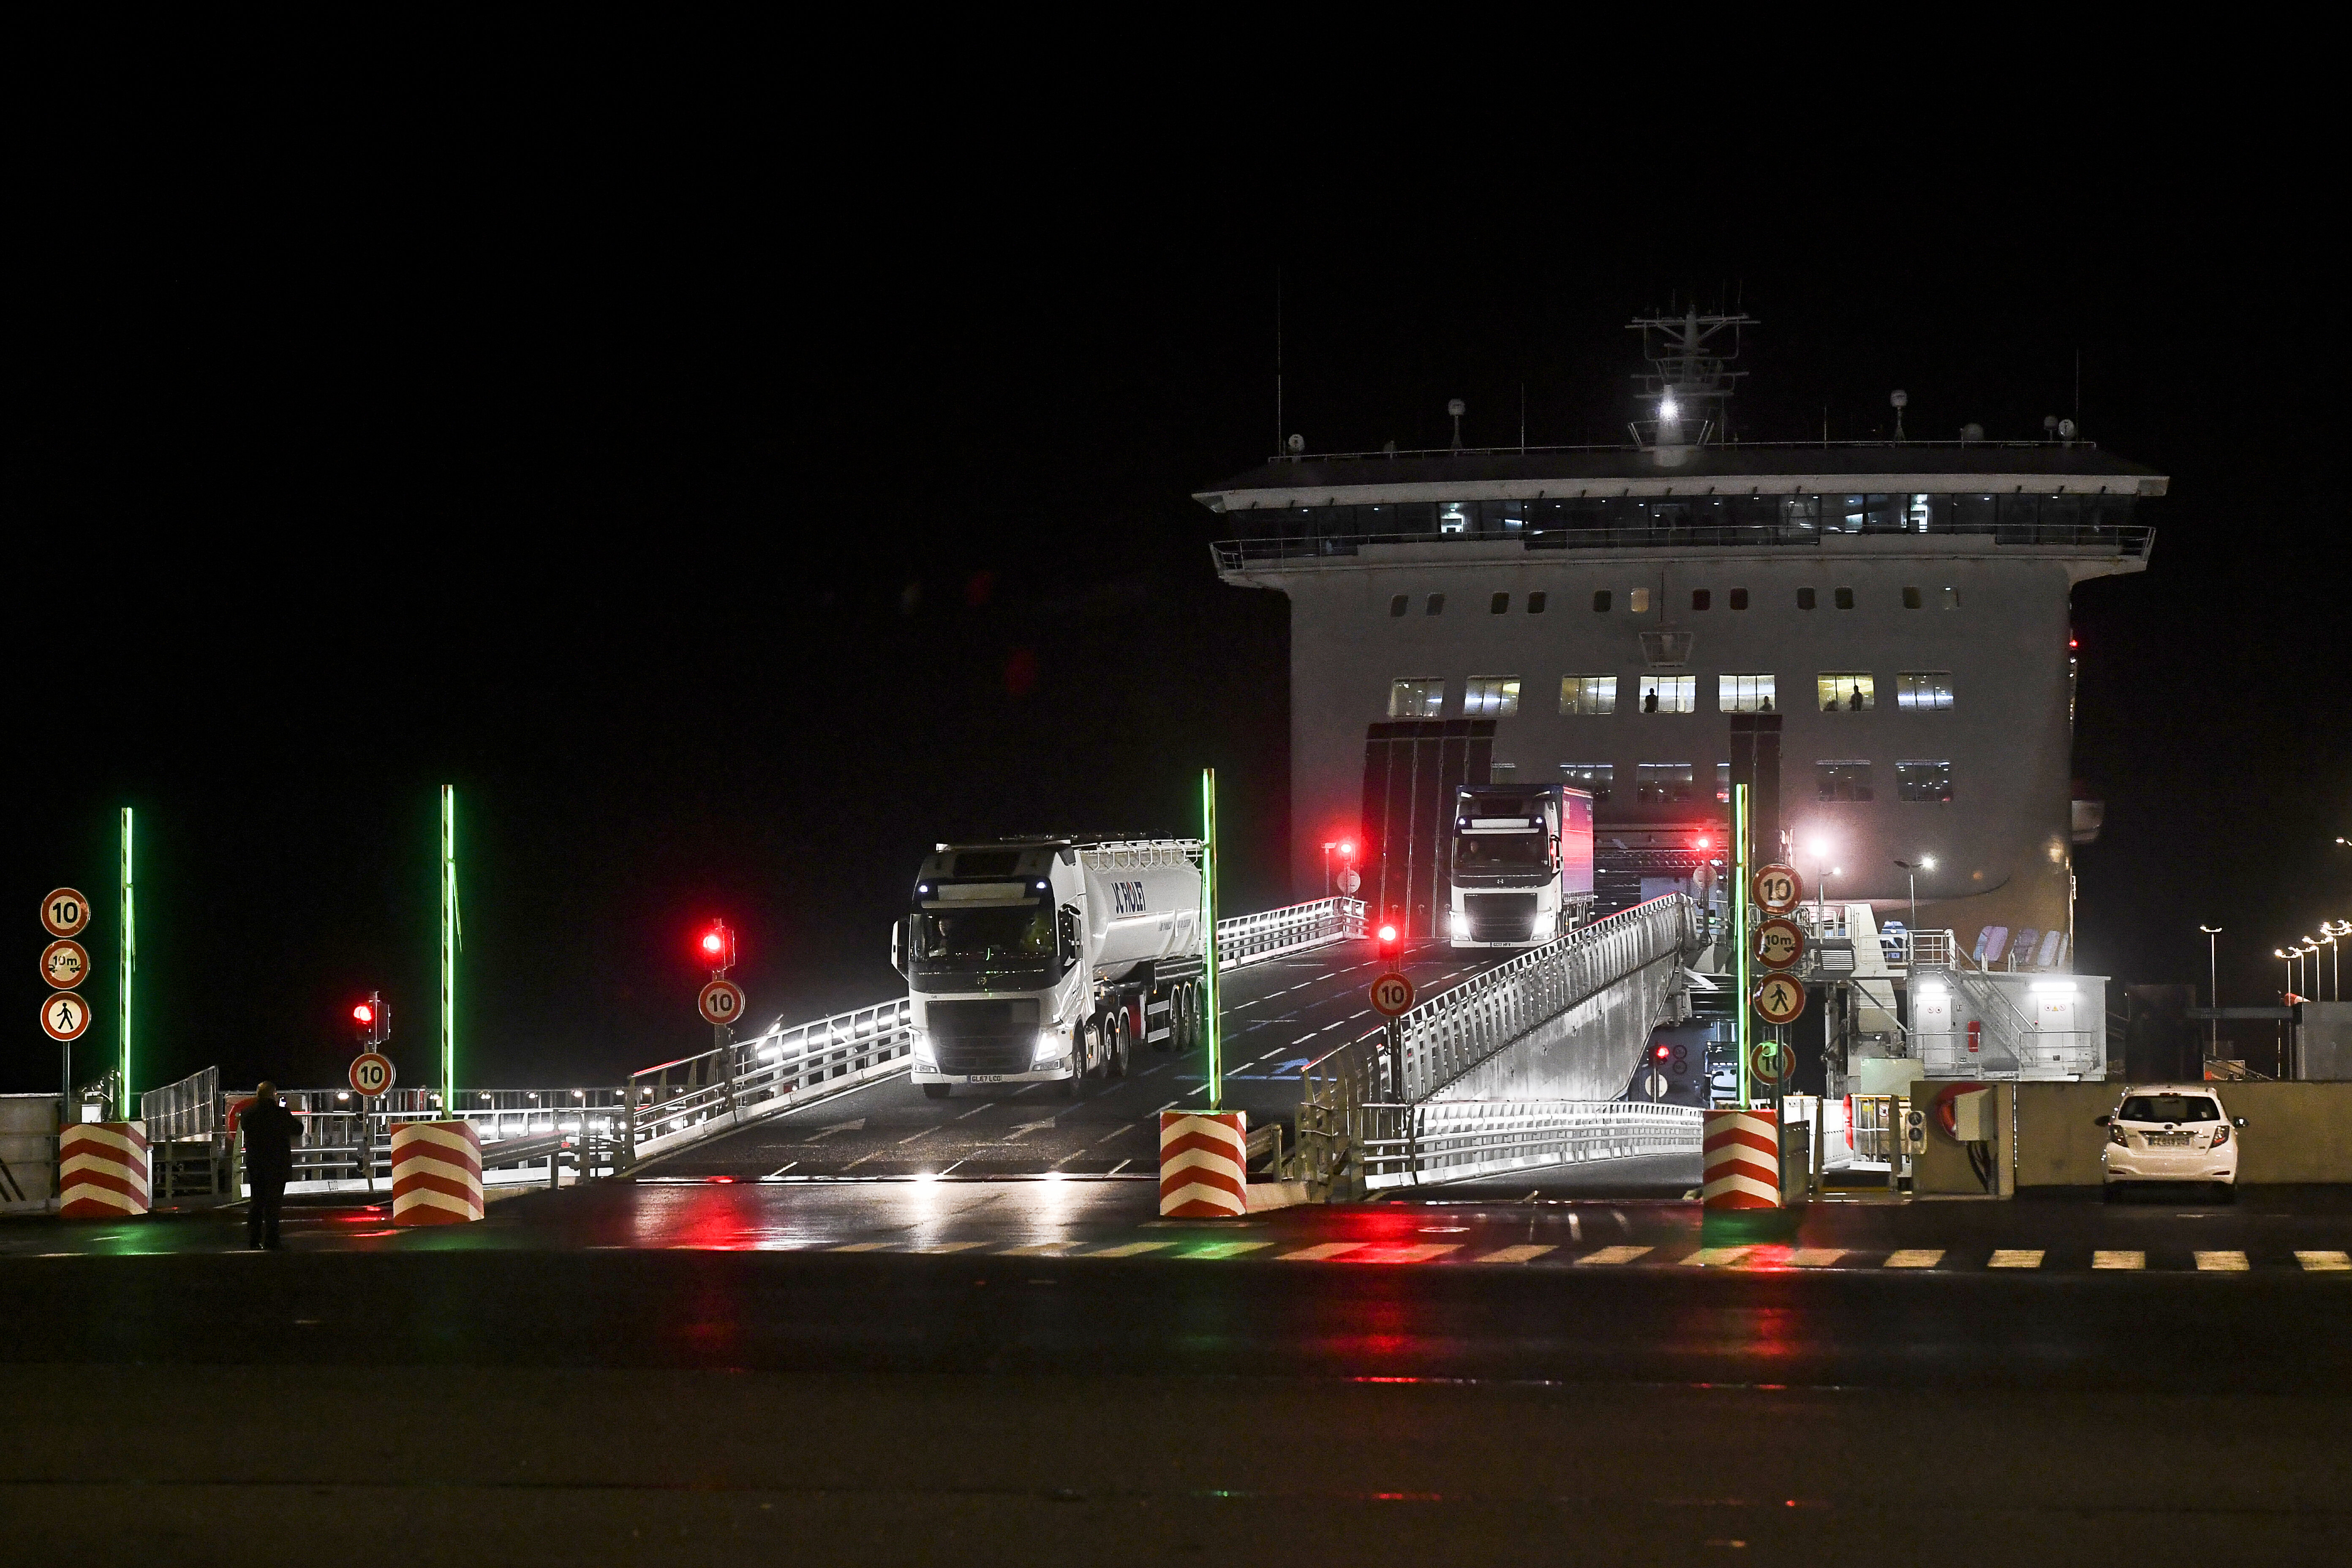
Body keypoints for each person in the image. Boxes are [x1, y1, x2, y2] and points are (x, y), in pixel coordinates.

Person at [241, 1082, 300, 1250]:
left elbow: (247, 1127)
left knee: (257, 1201)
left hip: (257, 1164)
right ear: (273, 1095)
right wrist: (283, 1109)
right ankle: (272, 1240)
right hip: (277, 1164)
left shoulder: (248, 1114)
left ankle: (253, 1239)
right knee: (274, 1204)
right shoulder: (280, 1114)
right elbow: (298, 1129)